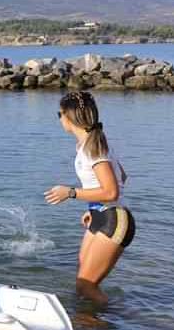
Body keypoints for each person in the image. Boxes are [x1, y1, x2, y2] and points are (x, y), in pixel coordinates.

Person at [44, 91, 134, 306]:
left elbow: (112, 191)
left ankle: (115, 326)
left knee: (86, 285)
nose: (59, 118)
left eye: (59, 114)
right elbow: (122, 175)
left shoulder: (92, 149)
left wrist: (71, 192)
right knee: (82, 283)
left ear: (68, 116)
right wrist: (93, 206)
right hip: (102, 215)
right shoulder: (91, 144)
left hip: (115, 220)